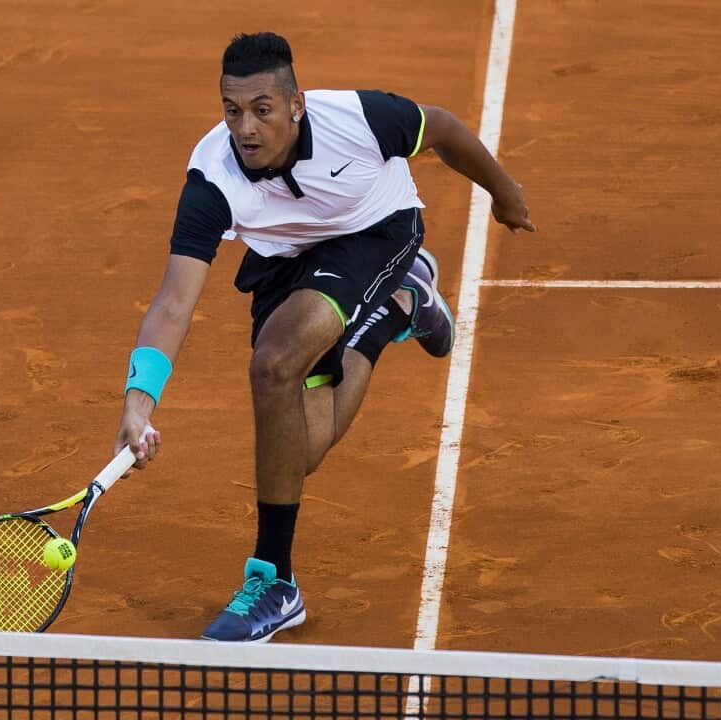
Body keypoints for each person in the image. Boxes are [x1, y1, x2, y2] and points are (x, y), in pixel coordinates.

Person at [112, 32, 534, 643]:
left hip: (373, 232)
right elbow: (174, 302)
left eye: (262, 109)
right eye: (232, 111)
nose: (245, 128)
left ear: (296, 104)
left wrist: (503, 191)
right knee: (301, 450)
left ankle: (274, 581)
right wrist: (137, 401)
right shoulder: (212, 177)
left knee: (275, 363)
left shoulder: (358, 120)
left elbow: (440, 128)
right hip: (285, 262)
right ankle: (398, 308)